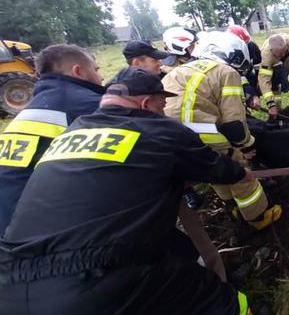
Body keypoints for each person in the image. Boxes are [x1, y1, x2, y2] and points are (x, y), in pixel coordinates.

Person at [0, 68, 251, 314]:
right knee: (221, 300)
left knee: (179, 254)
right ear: (145, 104)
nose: (163, 112)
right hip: (98, 280)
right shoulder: (160, 130)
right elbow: (217, 169)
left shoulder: (73, 131)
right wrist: (241, 172)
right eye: (162, 106)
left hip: (11, 280)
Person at [162, 31, 281, 230]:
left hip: (166, 136)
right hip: (200, 133)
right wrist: (247, 146)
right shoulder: (226, 72)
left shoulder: (178, 70)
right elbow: (234, 127)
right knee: (238, 169)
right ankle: (259, 216)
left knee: (213, 166)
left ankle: (232, 206)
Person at [0, 44, 104, 233]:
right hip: (38, 228)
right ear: (78, 71)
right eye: (96, 70)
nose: (101, 77)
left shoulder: (37, 105)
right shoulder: (86, 104)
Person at [227, 25, 262, 110]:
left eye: (247, 43)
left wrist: (258, 86)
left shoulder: (252, 46)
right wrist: (251, 95)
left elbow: (258, 66)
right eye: (243, 45)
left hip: (249, 72)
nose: (246, 47)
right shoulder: (229, 53)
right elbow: (239, 77)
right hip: (235, 78)